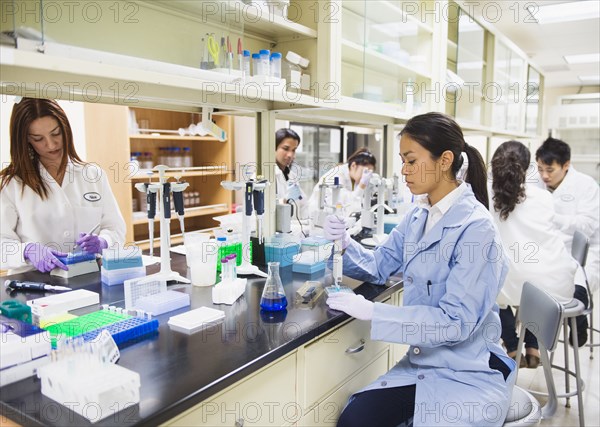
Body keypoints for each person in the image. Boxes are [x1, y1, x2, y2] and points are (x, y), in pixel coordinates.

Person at [324, 112, 514, 427]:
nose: (403, 171)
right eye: (402, 160)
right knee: (353, 420)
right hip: (424, 364)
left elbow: (455, 323)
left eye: (411, 161)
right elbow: (379, 265)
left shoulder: (476, 228)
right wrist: (345, 243)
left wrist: (375, 312)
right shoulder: (419, 214)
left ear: (445, 160)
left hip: (467, 370)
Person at [0, 98, 126, 275]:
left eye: (56, 133)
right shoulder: (12, 183)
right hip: (31, 285)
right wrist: (27, 250)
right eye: (38, 139)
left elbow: (115, 228)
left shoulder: (92, 175)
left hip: (87, 277)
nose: (51, 145)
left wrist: (104, 241)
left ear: (65, 129)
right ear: (26, 140)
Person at [490, 140, 577, 369]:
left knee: (493, 289)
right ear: (527, 167)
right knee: (529, 285)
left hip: (506, 283)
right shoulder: (543, 197)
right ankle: (532, 345)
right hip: (549, 281)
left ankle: (511, 344)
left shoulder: (485, 196)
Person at [536, 137, 599, 346]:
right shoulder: (537, 184)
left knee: (576, 282)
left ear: (566, 165)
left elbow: (588, 226)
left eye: (550, 170)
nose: (544, 175)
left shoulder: (585, 185)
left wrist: (554, 219)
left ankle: (577, 323)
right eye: (540, 169)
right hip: (550, 250)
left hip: (582, 254)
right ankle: (537, 340)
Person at [307, 147, 376, 232]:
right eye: (365, 171)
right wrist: (362, 185)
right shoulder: (337, 176)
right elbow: (346, 202)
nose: (367, 176)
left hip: (334, 222)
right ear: (353, 165)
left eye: (370, 172)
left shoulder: (352, 178)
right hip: (319, 221)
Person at [274, 128, 307, 217]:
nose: (290, 155)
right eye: (286, 148)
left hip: (295, 229)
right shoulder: (264, 176)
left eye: (293, 150)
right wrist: (283, 202)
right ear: (274, 148)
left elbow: (303, 205)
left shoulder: (292, 176)